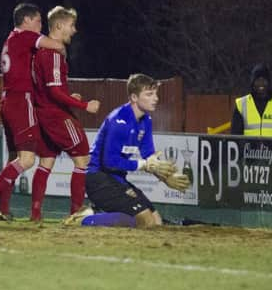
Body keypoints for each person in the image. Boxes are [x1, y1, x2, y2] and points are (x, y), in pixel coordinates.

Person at [63, 74, 190, 228]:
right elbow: (109, 162)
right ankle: (86, 218)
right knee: (146, 222)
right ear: (134, 97)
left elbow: (149, 156)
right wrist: (143, 165)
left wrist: (166, 177)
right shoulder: (119, 120)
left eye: (155, 94)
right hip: (98, 179)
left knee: (156, 221)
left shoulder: (146, 121)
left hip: (117, 180)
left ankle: (100, 213)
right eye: (149, 94)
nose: (155, 98)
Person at [0, 3, 66, 220]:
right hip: (20, 100)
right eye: (38, 21)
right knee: (27, 160)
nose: (41, 26)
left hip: (7, 100)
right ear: (26, 20)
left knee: (14, 158)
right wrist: (60, 45)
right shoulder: (24, 36)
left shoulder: (10, 39)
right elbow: (54, 44)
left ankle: (4, 210)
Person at [30, 6, 100, 222]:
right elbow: (54, 92)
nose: (74, 30)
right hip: (56, 115)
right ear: (59, 26)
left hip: (43, 113)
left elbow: (53, 89)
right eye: (71, 25)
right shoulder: (52, 54)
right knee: (82, 160)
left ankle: (35, 214)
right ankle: (75, 213)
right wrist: (84, 105)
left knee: (46, 161)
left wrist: (70, 96)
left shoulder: (41, 53)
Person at [230, 63, 272, 137]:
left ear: (269, 83)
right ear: (252, 83)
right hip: (248, 148)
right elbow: (235, 136)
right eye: (258, 80)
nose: (261, 83)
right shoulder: (241, 104)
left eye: (264, 80)